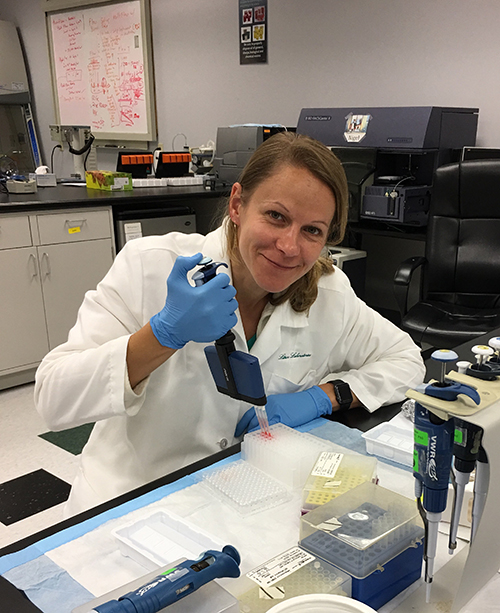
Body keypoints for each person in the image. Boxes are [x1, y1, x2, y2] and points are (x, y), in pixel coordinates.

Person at [34, 132, 425, 515]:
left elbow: (405, 359)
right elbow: (53, 398)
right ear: (237, 205)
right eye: (276, 216)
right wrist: (163, 334)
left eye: (312, 231)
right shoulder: (148, 266)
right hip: (128, 506)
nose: (290, 246)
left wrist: (325, 396)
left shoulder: (329, 294)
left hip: (245, 502)